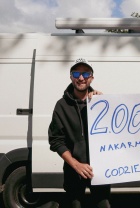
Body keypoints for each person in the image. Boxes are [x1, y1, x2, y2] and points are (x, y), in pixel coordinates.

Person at [48, 58, 111, 208]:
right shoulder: (61, 105)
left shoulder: (101, 102)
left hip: (99, 171)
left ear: (91, 78)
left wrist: (104, 103)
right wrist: (76, 165)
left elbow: (114, 133)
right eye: (76, 73)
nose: (81, 78)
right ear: (71, 77)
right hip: (73, 173)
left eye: (85, 73)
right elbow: (56, 140)